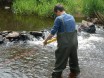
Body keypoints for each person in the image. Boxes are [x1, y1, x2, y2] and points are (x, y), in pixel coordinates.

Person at [44, 4, 80, 78]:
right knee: (74, 61)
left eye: (55, 13)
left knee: (59, 62)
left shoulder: (59, 19)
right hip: (74, 43)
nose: (56, 15)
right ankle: (75, 73)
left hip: (65, 45)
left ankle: (56, 76)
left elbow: (52, 33)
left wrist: (46, 41)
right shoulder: (71, 17)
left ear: (57, 11)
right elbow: (70, 30)